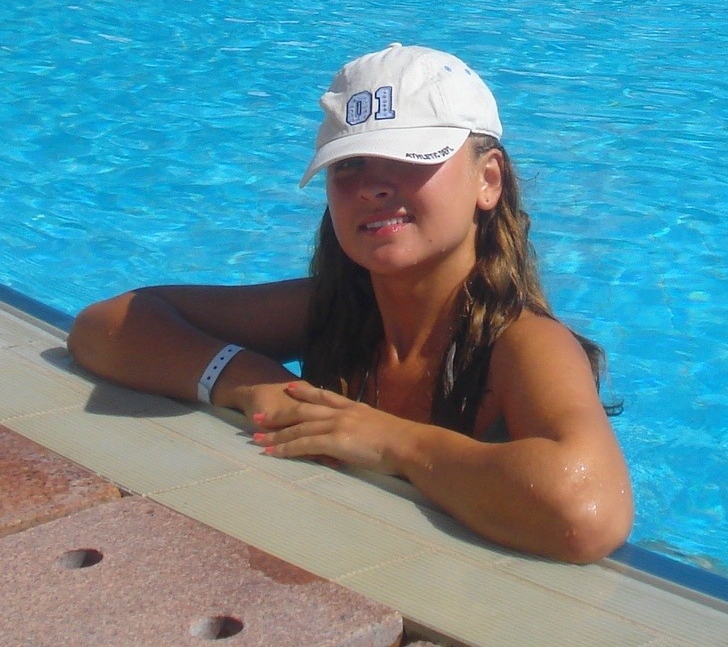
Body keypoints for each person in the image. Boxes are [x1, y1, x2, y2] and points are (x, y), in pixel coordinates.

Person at [67, 43, 633, 563]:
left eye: (409, 156)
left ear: (488, 180)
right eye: (348, 164)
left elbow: (587, 512)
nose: (371, 186)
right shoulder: (337, 310)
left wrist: (390, 441)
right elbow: (104, 326)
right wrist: (250, 382)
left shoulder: (521, 342)